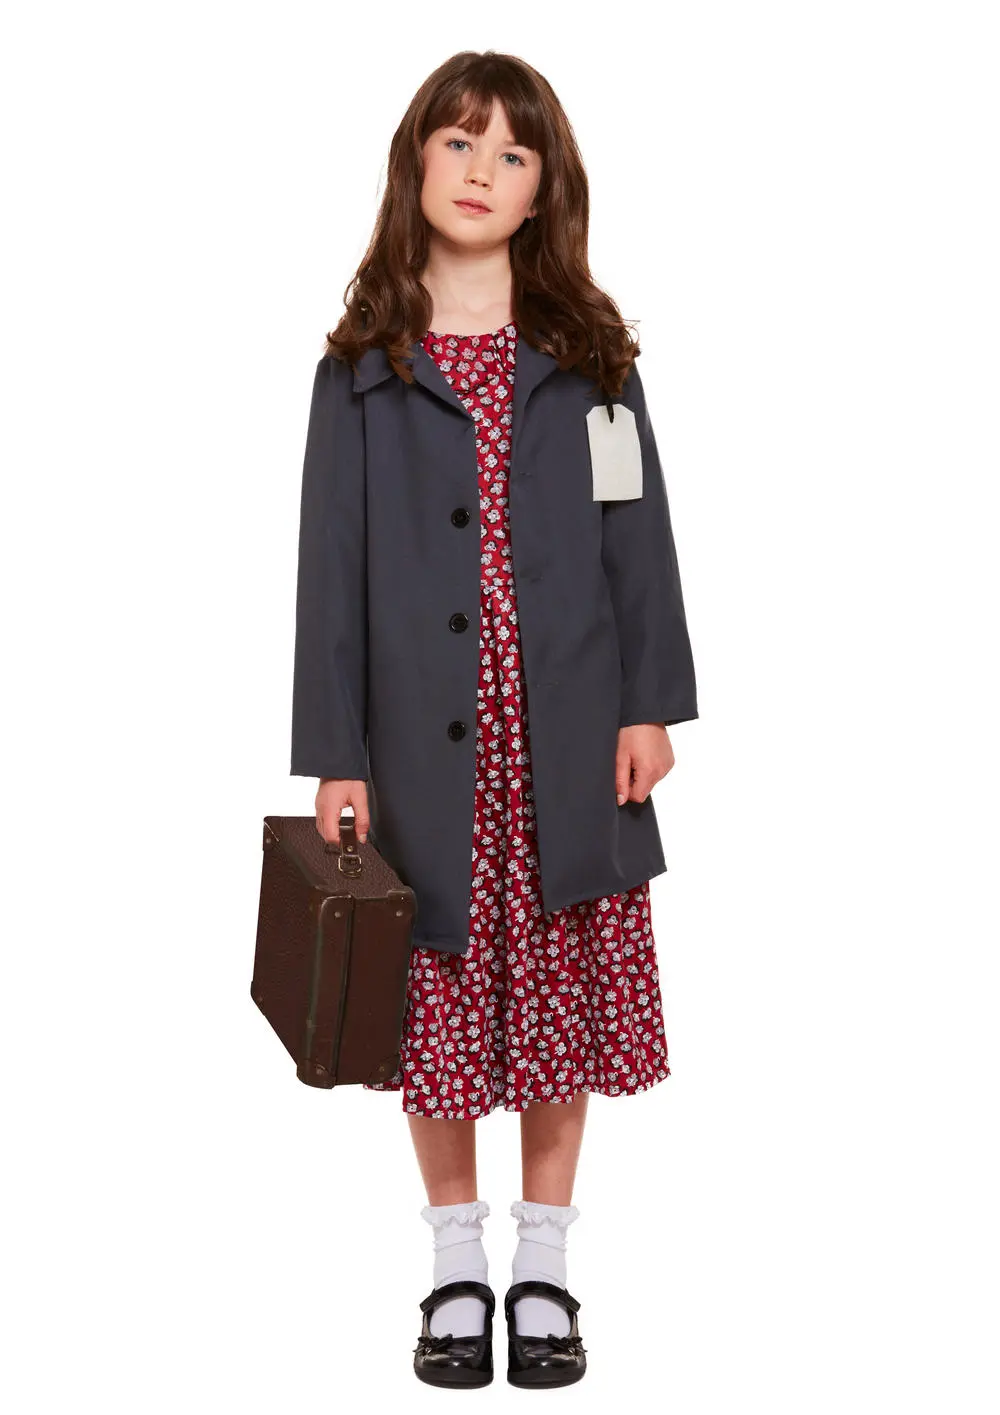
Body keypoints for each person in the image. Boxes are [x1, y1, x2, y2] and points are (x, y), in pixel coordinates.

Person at [289, 50, 698, 1389]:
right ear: (416, 161)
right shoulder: (362, 370)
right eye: (458, 142)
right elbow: (330, 569)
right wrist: (336, 750)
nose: (480, 170)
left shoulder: (592, 359)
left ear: (543, 189)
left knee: (561, 991)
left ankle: (547, 1270)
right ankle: (457, 1263)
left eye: (512, 153)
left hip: (568, 737)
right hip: (420, 748)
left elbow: (639, 542)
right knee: (441, 1001)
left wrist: (650, 704)